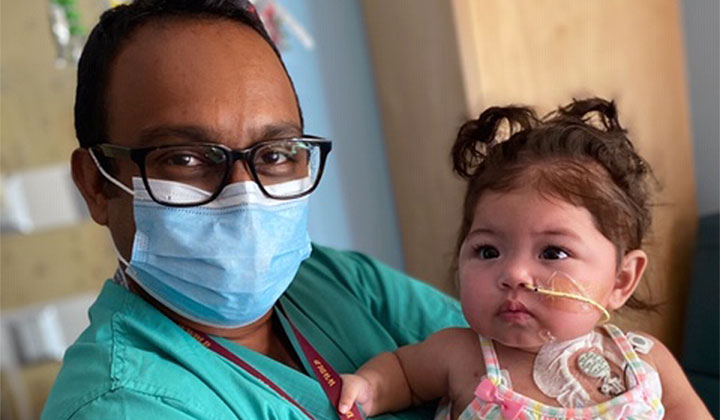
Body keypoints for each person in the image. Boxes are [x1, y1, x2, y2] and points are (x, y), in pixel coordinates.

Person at [40, 1, 466, 419]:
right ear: (96, 185)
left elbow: (514, 356)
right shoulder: (124, 406)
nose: (244, 196)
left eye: (276, 153)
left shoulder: (334, 281)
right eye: (186, 158)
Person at [338, 98, 713, 419]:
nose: (514, 273)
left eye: (553, 252)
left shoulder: (645, 361)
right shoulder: (460, 355)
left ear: (621, 280)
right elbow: (402, 374)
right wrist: (368, 387)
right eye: (488, 251)